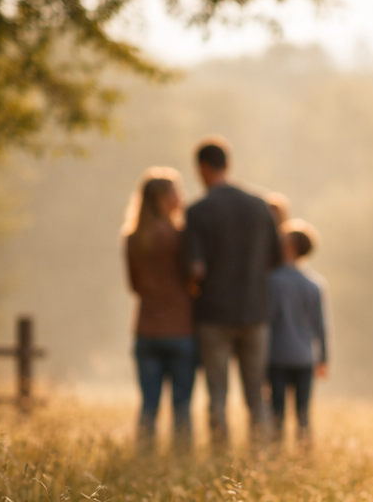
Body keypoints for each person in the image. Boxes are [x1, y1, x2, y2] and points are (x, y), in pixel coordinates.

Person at [182, 136, 283, 448]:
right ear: (228, 164)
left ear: (202, 168)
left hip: (214, 314)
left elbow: (194, 268)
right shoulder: (259, 206)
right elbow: (276, 257)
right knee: (256, 392)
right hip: (255, 313)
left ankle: (219, 455)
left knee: (217, 392)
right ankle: (261, 453)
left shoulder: (198, 211)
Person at [122, 168, 197, 448]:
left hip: (147, 330)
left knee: (149, 405)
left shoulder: (133, 238)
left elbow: (134, 286)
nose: (182, 196)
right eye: (177, 191)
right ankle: (182, 458)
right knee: (182, 405)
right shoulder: (180, 237)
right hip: (180, 329)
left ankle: (144, 455)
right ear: (166, 198)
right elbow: (193, 278)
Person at [267, 219, 329, 440]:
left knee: (277, 414)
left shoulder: (273, 281)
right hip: (304, 357)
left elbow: (268, 319)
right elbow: (320, 326)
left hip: (277, 356)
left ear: (290, 246)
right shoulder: (314, 284)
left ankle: (275, 456)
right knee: (303, 414)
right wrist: (324, 359)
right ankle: (305, 456)